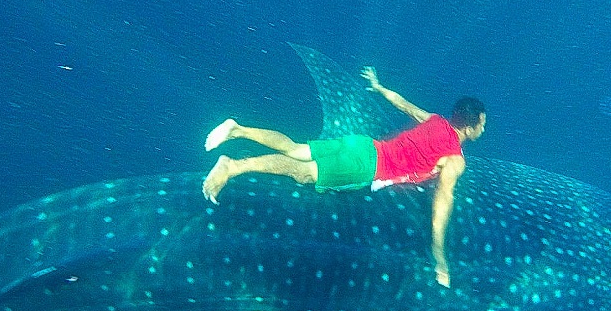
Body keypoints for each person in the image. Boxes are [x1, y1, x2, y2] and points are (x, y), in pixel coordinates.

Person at [202, 67, 486, 287]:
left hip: (363, 144)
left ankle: (236, 129)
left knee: (297, 148)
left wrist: (378, 86)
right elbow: (442, 203)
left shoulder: (435, 120)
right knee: (302, 173)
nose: (484, 130)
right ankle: (233, 167)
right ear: (472, 126)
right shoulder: (455, 159)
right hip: (368, 167)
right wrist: (440, 258)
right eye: (482, 124)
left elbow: (404, 104)